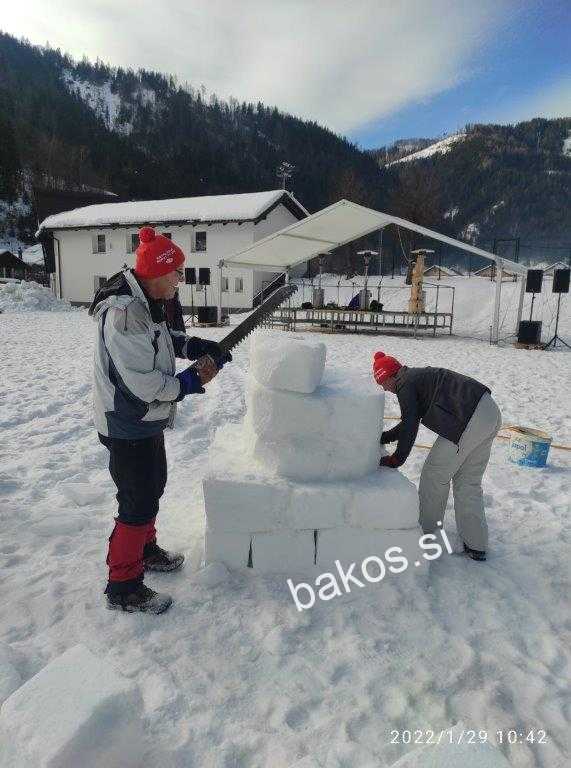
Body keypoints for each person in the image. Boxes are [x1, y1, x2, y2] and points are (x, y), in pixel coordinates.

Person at [89, 226, 230, 614]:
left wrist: (194, 345)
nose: (180, 280)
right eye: (177, 273)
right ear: (157, 271)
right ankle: (123, 586)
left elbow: (164, 339)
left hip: (144, 419)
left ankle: (145, 549)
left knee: (153, 486)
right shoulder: (124, 314)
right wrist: (188, 383)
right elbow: (144, 383)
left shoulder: (148, 300)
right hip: (126, 420)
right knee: (137, 499)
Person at [373, 352, 501, 561]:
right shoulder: (413, 378)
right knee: (467, 483)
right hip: (489, 411)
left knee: (434, 475)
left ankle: (425, 535)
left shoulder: (405, 384)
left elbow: (410, 423)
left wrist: (397, 459)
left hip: (468, 418)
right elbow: (409, 421)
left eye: (382, 383)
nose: (384, 389)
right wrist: (385, 437)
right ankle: (476, 544)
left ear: (389, 376)